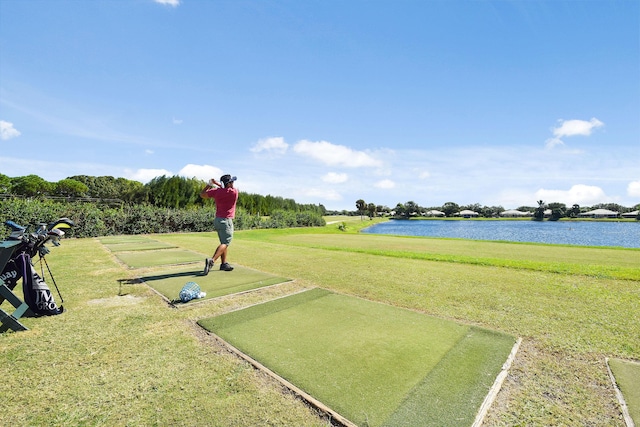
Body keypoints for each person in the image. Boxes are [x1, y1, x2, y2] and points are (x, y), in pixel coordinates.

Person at [200, 174, 239, 274]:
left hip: (218, 220)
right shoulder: (234, 192)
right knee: (226, 243)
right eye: (231, 182)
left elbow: (202, 194)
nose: (233, 183)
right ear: (229, 183)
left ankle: (224, 264)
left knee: (223, 242)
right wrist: (217, 183)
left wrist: (210, 184)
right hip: (226, 221)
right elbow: (227, 188)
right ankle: (212, 261)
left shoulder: (216, 192)